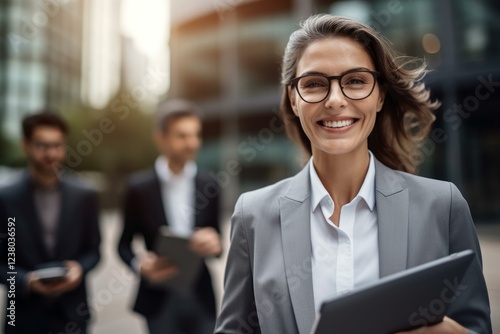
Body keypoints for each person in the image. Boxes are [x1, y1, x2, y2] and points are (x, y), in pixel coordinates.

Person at [215, 14, 491, 334]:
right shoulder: (253, 215)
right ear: (293, 98)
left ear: (380, 95)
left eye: (356, 81)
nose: (335, 101)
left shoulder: (443, 206)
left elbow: (476, 326)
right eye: (315, 84)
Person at [118, 99, 222, 334]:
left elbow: (218, 242)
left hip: (200, 294)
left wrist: (214, 243)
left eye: (196, 135)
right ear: (161, 139)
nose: (192, 143)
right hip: (158, 296)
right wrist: (139, 265)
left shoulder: (210, 184)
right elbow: (122, 245)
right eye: (182, 136)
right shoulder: (139, 188)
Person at [0, 112, 101, 334]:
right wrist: (24, 280)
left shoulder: (84, 195)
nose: (51, 153)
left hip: (72, 313)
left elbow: (94, 250)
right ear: (25, 145)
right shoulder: (5, 198)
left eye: (57, 145)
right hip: (23, 316)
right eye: (42, 145)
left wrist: (79, 269)